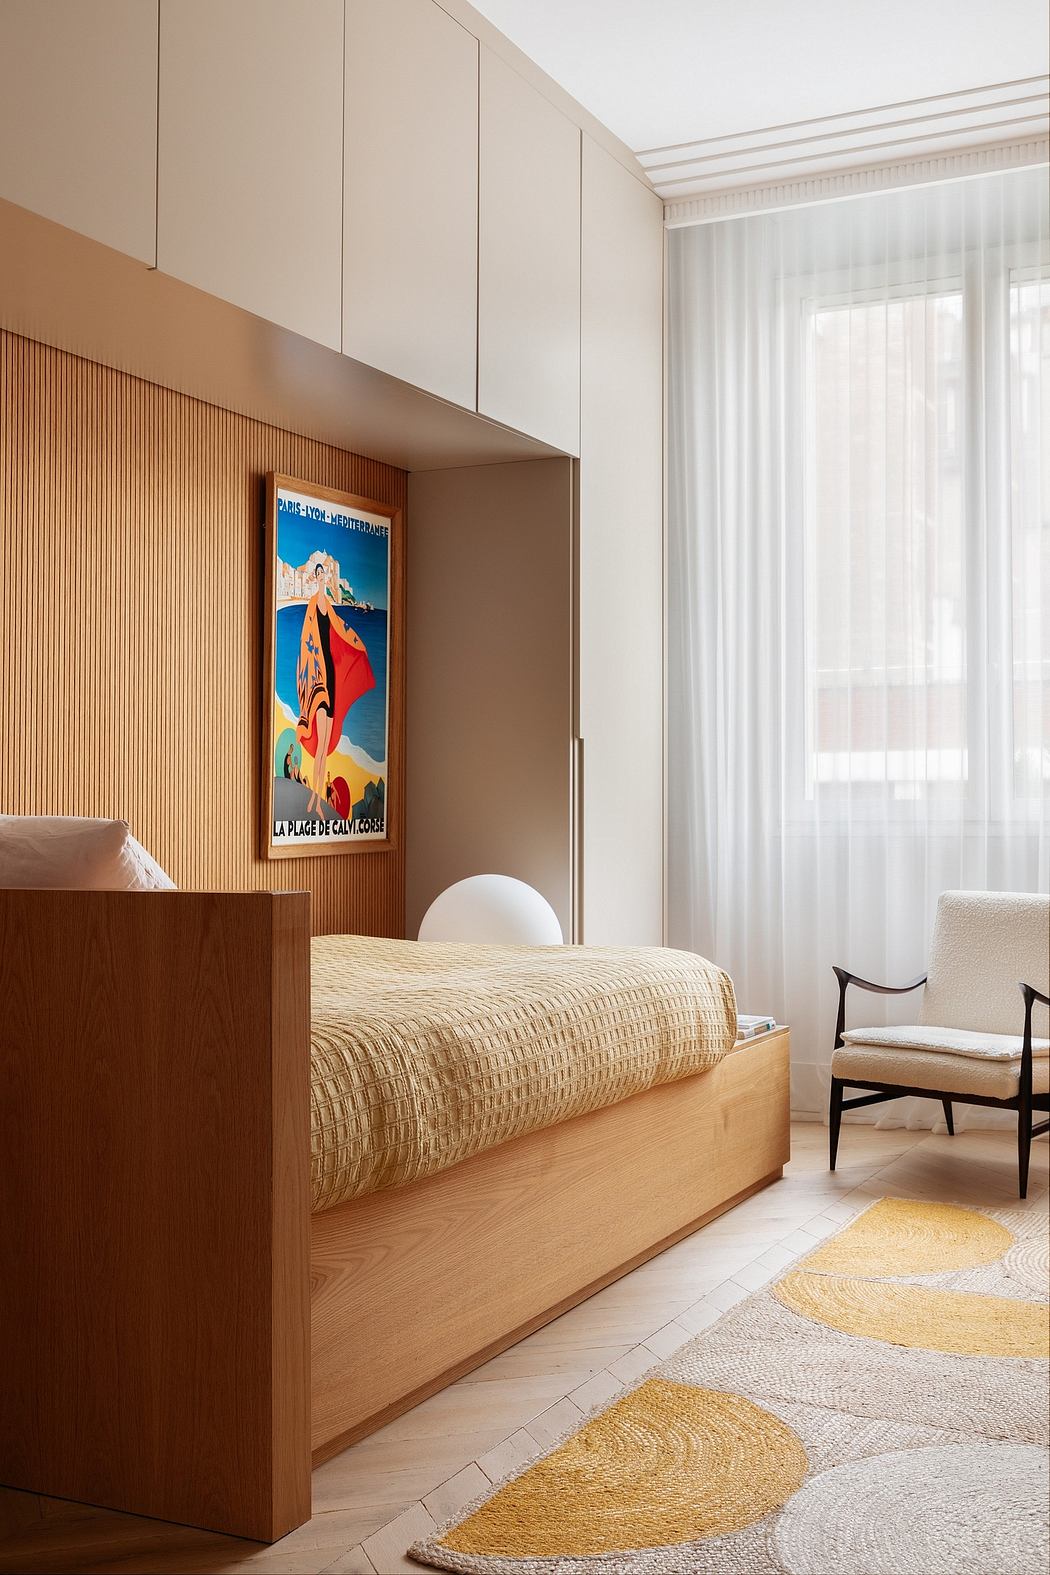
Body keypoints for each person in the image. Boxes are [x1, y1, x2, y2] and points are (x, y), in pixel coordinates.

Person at [296, 557, 375, 819]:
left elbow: (342, 630)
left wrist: (359, 647)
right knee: (320, 748)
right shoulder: (313, 605)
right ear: (316, 578)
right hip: (319, 680)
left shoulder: (329, 606)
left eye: (324, 575)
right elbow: (306, 645)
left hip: (330, 676)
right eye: (320, 574)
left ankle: (317, 799)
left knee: (325, 748)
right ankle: (314, 800)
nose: (323, 578)